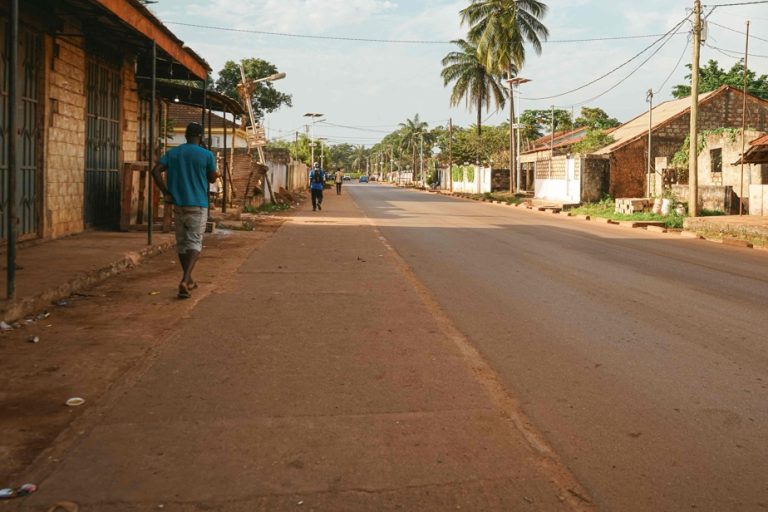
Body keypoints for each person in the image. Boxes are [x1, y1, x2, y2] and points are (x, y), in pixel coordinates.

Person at [151, 122, 219, 299]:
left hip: (178, 203)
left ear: (186, 136)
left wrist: (165, 192)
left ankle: (188, 280)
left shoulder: (173, 153)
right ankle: (185, 278)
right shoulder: (207, 155)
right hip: (198, 204)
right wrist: (213, 173)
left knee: (182, 242)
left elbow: (155, 170)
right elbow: (212, 179)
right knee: (195, 241)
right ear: (201, 137)